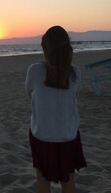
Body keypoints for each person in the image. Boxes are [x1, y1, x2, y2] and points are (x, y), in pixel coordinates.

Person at [25, 26, 87, 193]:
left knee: (42, 178)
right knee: (68, 177)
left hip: (42, 134)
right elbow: (75, 95)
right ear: (68, 48)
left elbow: (29, 92)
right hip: (68, 133)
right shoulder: (75, 72)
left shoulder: (35, 70)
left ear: (45, 47)